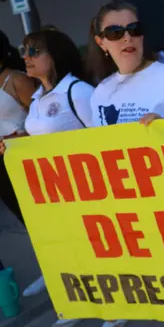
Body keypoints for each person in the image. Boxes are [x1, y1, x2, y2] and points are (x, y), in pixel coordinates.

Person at [87, 0, 164, 327]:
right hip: (138, 219)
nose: (127, 38)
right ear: (101, 42)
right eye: (115, 32)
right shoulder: (99, 94)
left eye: (133, 29)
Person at [0, 29, 95, 327]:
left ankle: (112, 306)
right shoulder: (40, 96)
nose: (25, 57)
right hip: (50, 185)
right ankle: (76, 301)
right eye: (24, 50)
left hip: (82, 183)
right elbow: (39, 132)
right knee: (65, 242)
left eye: (33, 51)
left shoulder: (78, 91)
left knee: (88, 244)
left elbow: (101, 137)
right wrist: (18, 140)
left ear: (55, 55)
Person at [0, 29, 37, 272]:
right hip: (3, 164)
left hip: (25, 157)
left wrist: (21, 137)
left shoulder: (16, 80)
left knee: (38, 214)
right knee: (23, 217)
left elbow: (40, 117)